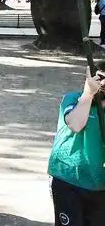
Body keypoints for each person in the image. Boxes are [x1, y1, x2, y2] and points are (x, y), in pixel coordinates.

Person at [48, 62, 105, 226]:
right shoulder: (73, 98)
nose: (102, 83)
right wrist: (88, 93)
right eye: (99, 78)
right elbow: (75, 124)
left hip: (99, 183)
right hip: (68, 178)